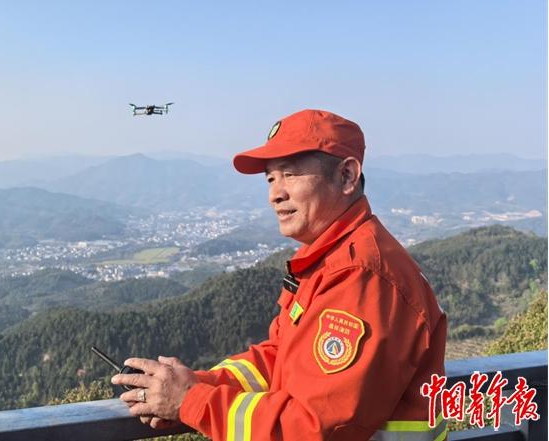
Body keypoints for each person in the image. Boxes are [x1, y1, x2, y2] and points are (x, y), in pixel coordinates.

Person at [112, 109, 447, 441]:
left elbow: (314, 429)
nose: (275, 194)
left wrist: (191, 401)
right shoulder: (328, 260)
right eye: (271, 178)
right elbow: (279, 358)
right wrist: (193, 385)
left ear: (346, 176)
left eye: (290, 174)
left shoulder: (363, 277)